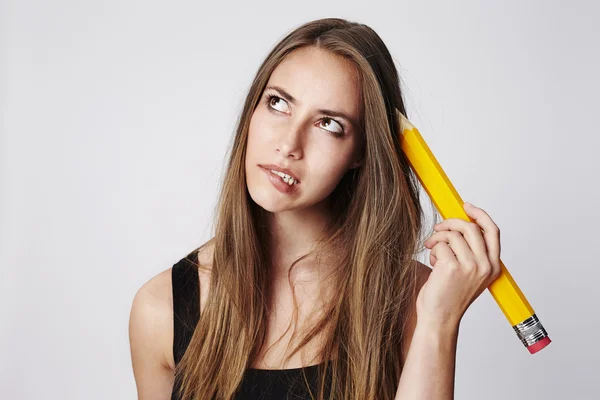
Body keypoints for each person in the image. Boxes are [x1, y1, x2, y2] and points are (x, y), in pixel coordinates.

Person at [128, 17, 502, 400]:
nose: (289, 143)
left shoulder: (417, 299)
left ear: (360, 153)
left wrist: (438, 323)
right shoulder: (161, 309)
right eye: (278, 103)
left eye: (328, 124)